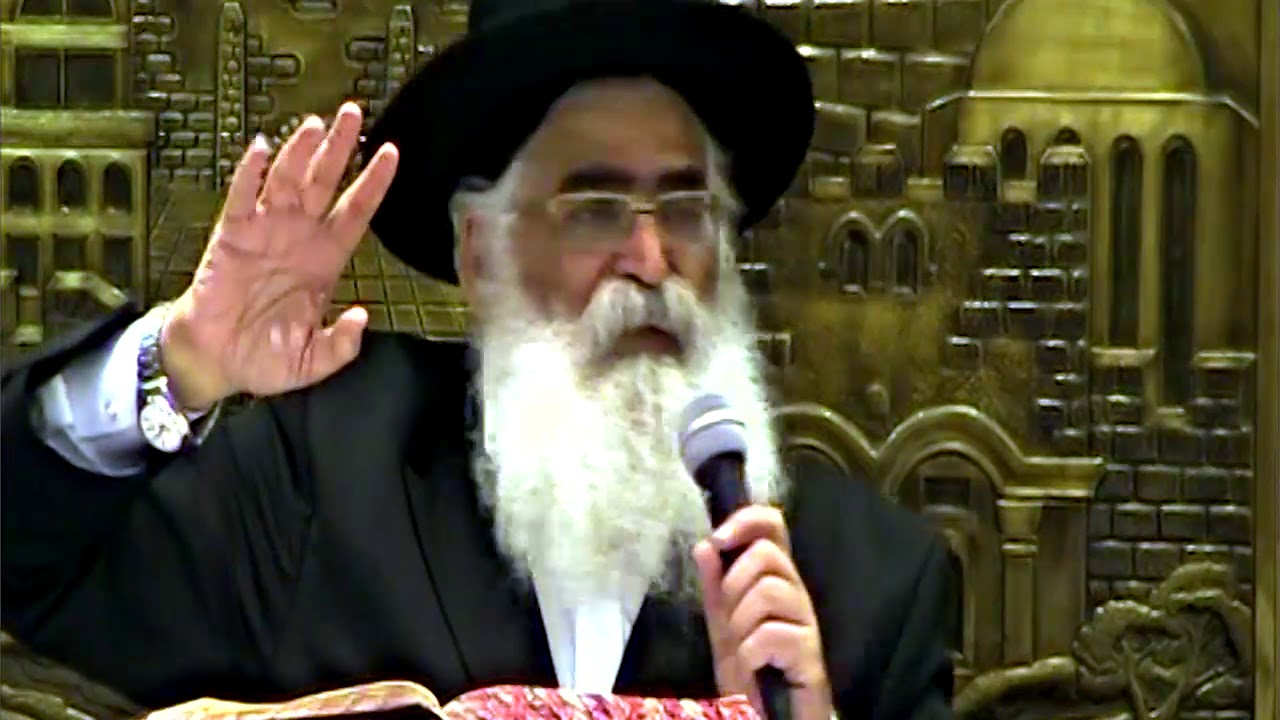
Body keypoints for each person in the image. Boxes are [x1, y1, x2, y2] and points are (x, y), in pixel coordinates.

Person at [1, 0, 957, 718]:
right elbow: (27, 564)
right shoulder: (323, 476)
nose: (651, 258)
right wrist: (185, 362)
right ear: (478, 250)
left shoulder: (867, 589)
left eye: (686, 209)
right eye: (595, 209)